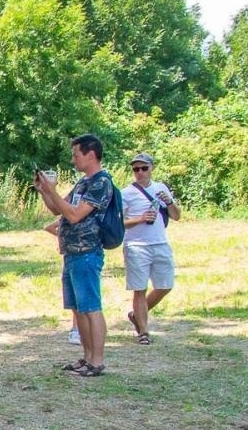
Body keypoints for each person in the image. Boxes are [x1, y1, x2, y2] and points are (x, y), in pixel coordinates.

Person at [35, 134, 114, 377]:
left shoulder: (101, 183)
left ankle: (97, 361)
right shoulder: (83, 183)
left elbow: (74, 214)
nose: (73, 159)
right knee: (79, 309)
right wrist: (45, 191)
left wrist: (52, 190)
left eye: (76, 155)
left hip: (87, 253)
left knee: (91, 308)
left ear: (91, 154)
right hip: (71, 253)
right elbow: (58, 208)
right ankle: (87, 357)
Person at [121, 151, 181, 344]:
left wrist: (169, 202)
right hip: (136, 245)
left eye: (144, 168)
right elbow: (117, 222)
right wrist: (140, 219)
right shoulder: (126, 193)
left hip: (160, 243)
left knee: (165, 285)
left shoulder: (161, 188)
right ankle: (144, 332)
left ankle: (136, 315)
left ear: (151, 168)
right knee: (139, 288)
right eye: (136, 169)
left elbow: (176, 216)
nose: (140, 172)